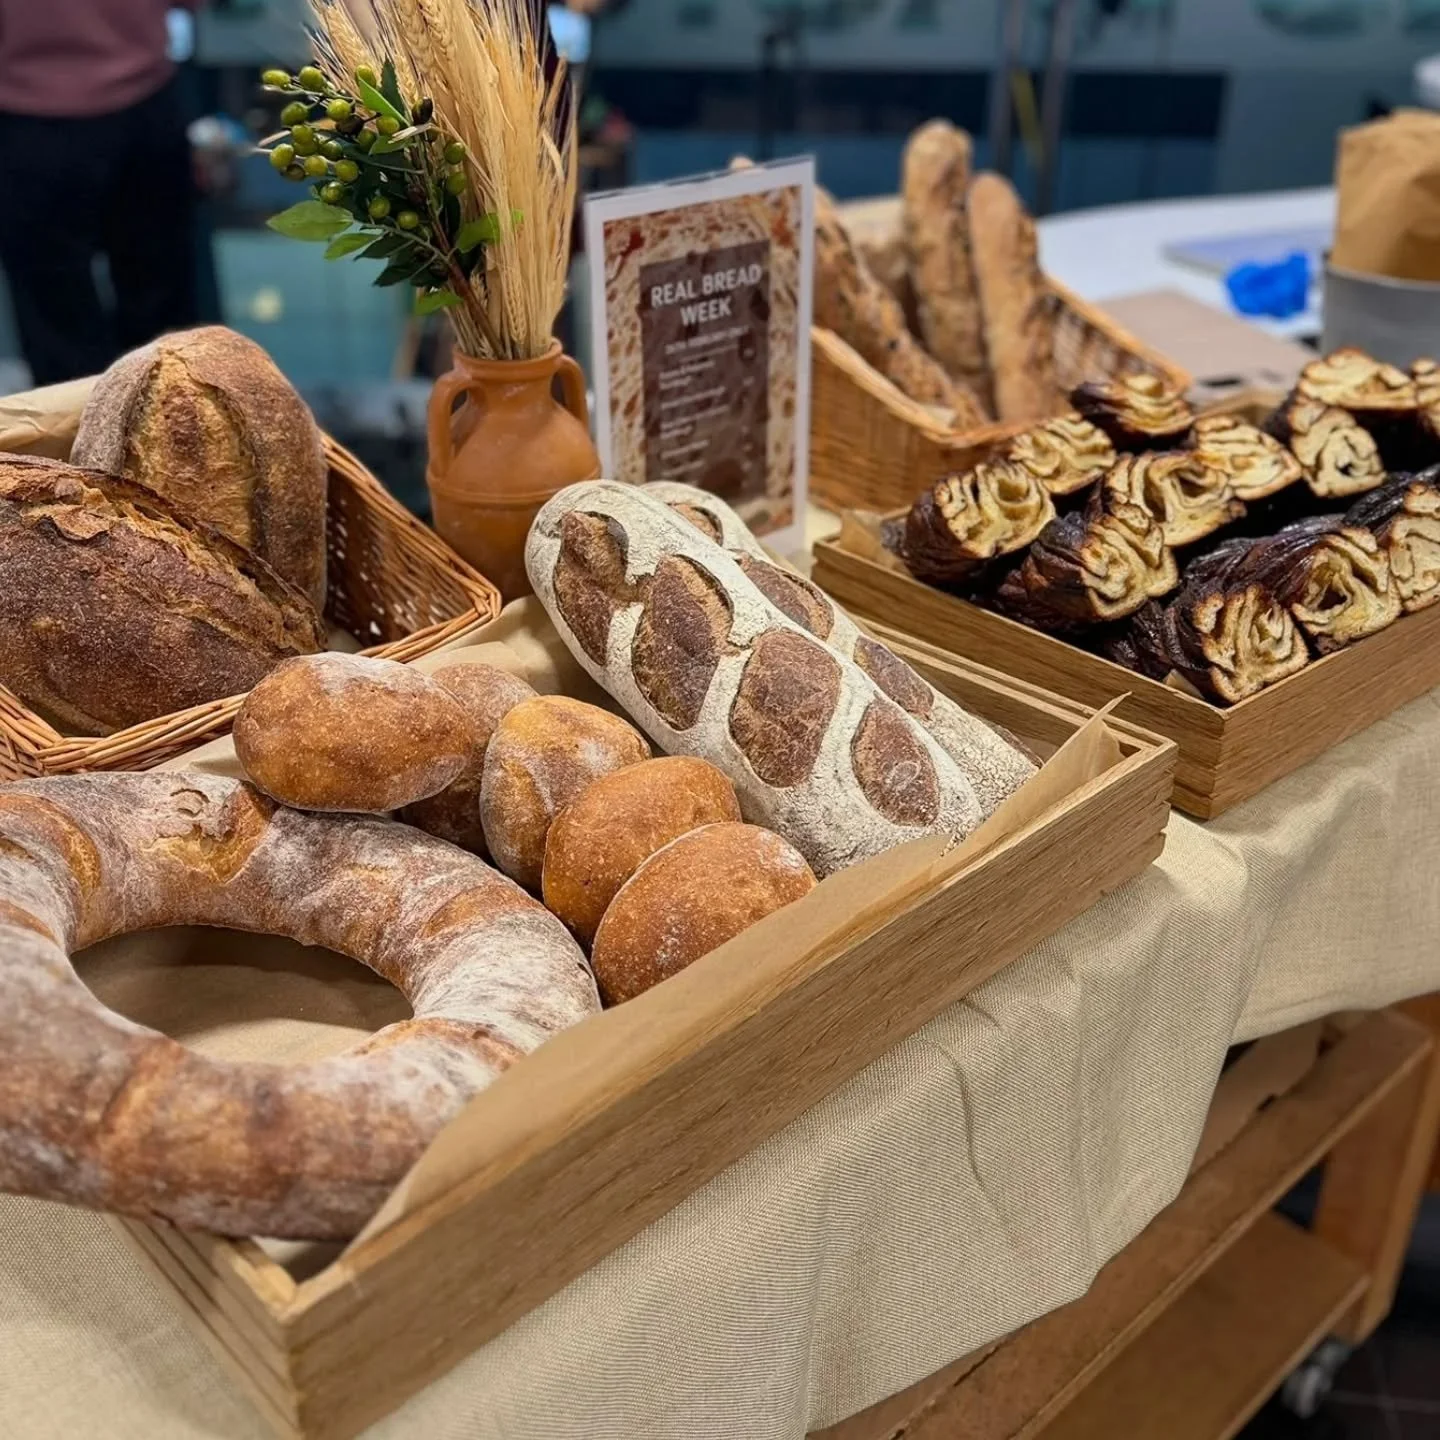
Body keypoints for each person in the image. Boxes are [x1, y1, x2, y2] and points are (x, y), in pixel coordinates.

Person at [0, 1, 204, 385]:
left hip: (28, 116)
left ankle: (82, 440)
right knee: (163, 319)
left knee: (56, 326)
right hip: (144, 99)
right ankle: (176, 436)